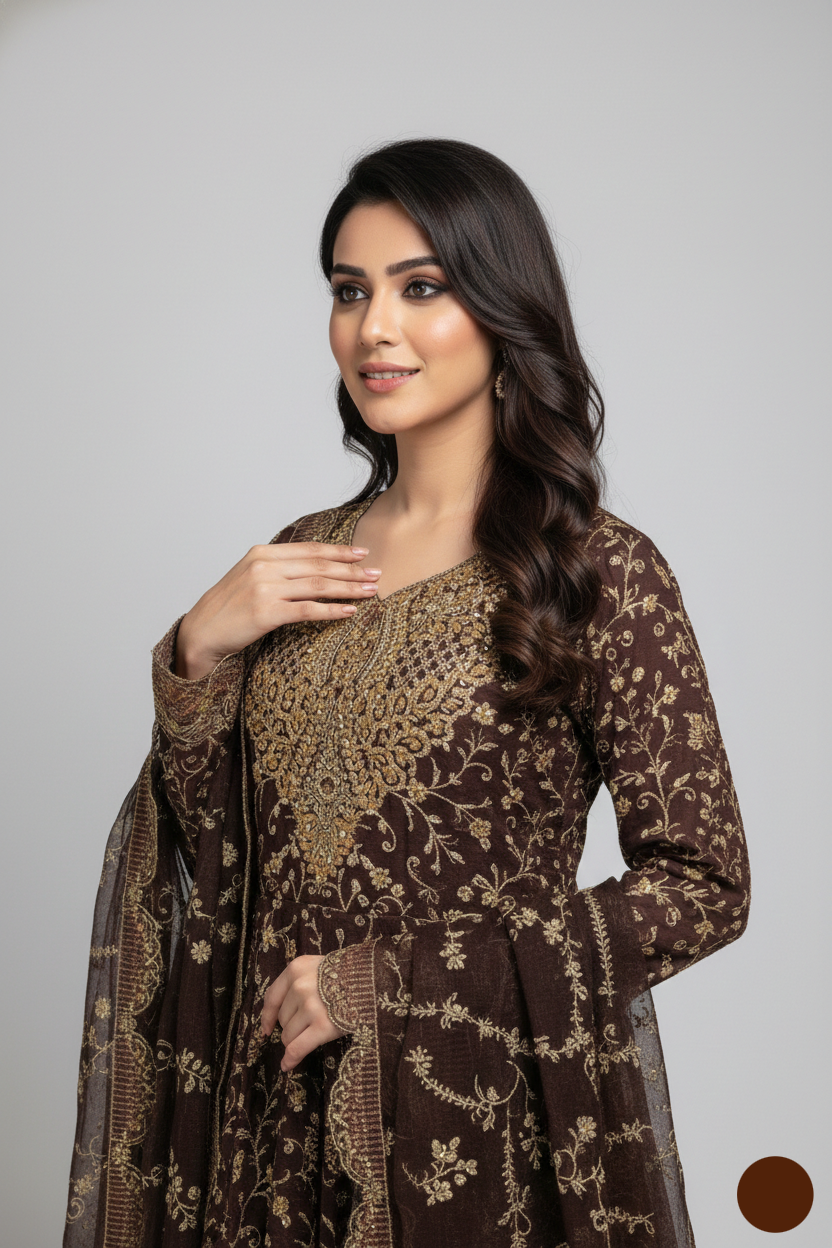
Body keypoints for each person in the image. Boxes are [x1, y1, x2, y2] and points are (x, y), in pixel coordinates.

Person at [64, 138, 750, 1248]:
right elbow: (223, 862)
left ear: (501, 309)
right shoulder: (300, 560)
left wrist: (392, 984)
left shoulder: (591, 570)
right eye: (350, 291)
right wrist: (195, 655)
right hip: (266, 1139)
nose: (373, 328)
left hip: (472, 1139)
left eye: (420, 287)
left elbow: (704, 887)